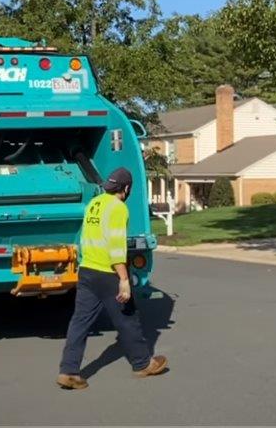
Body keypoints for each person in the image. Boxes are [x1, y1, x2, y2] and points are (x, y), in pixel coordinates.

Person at [57, 167, 168, 390]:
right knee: (127, 318)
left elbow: (86, 237)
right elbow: (117, 246)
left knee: (80, 322)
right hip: (108, 273)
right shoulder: (118, 208)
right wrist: (124, 279)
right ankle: (142, 363)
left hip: (87, 270)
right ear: (126, 188)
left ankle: (68, 371)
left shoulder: (94, 204)